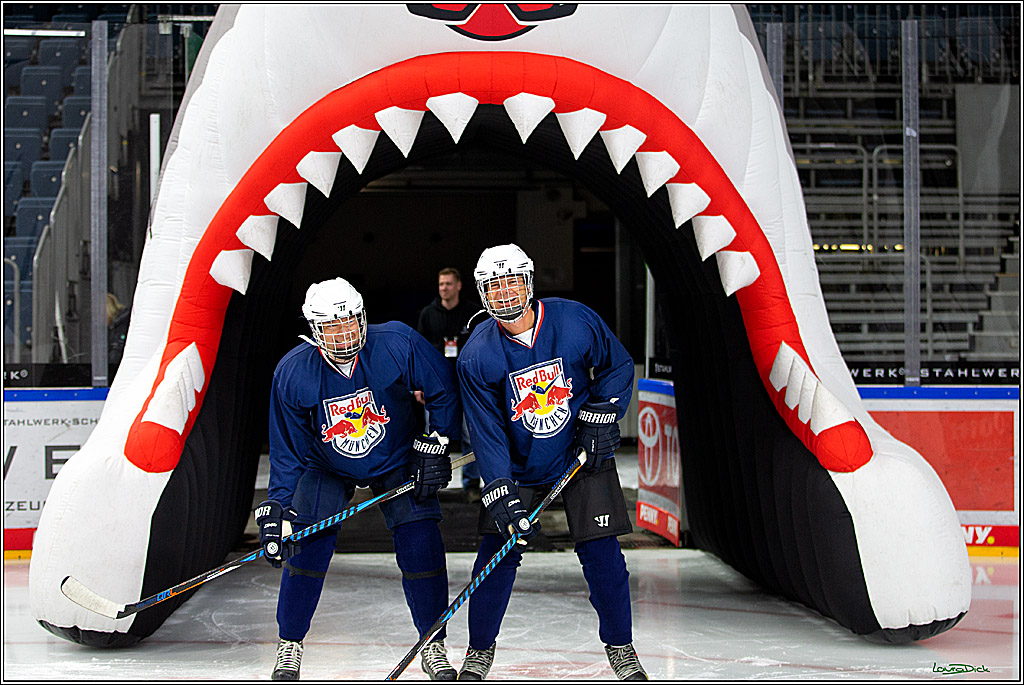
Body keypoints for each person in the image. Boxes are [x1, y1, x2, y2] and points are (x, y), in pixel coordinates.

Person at [455, 244, 648, 680]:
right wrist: (498, 487)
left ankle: (621, 647)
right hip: (518, 465)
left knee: (603, 555)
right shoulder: (477, 354)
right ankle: (479, 650)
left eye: (511, 282)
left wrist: (603, 414)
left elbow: (617, 367)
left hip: (579, 455)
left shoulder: (574, 319)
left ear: (528, 281)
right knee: (495, 558)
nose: (504, 293)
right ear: (482, 293)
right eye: (493, 286)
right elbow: (486, 431)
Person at [258, 277, 462, 681]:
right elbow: (287, 450)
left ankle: (433, 643)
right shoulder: (293, 371)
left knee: (421, 541)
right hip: (326, 465)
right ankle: (290, 643)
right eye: (331, 326)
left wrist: (437, 442)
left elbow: (442, 387)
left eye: (349, 322)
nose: (344, 333)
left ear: (362, 317)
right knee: (306, 546)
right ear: (313, 329)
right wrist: (277, 504)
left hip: (397, 456)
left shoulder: (396, 342)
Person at [416, 267, 483, 501]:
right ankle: (431, 483)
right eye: (441, 284)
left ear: (458, 286)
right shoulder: (428, 314)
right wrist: (419, 384)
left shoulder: (473, 313)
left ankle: (471, 484)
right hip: (437, 385)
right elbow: (419, 352)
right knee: (434, 436)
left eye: (448, 283)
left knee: (470, 434)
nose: (444, 288)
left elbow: (484, 349)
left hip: (467, 383)